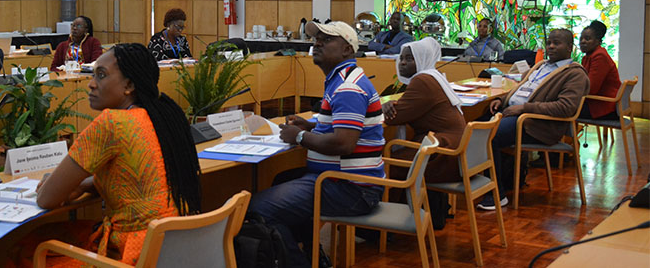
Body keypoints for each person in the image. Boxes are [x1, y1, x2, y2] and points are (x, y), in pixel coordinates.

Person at [32, 43, 202, 265]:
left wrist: (51, 184)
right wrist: (85, 185)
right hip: (178, 246)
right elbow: (139, 177)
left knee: (27, 248)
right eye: (93, 75)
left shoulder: (112, 123)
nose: (91, 84)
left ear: (129, 85)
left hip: (132, 255)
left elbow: (47, 199)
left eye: (101, 76)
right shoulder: (164, 117)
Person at [249, 21, 384, 267]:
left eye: (326, 39)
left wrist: (299, 137)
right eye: (316, 38)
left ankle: (300, 262)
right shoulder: (341, 79)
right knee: (281, 180)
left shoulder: (348, 87)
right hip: (343, 182)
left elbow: (344, 143)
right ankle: (314, 257)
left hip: (350, 188)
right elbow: (341, 126)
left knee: (258, 209)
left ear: (347, 50)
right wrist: (311, 127)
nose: (317, 43)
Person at [476, 29, 589, 211]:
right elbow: (521, 90)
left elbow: (565, 108)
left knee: (489, 135)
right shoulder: (540, 66)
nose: (551, 46)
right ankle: (479, 183)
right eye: (549, 42)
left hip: (535, 124)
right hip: (514, 115)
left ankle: (496, 194)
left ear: (569, 47)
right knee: (471, 127)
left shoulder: (575, 74)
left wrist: (523, 108)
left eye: (556, 43)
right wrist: (502, 100)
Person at [383, 37, 466, 186]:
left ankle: (402, 208)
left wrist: (384, 107)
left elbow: (393, 117)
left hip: (444, 154)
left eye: (409, 59)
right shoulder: (432, 76)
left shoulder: (422, 81)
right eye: (401, 58)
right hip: (457, 151)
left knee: (387, 165)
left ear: (422, 60)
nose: (402, 63)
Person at [578, 21, 620, 120]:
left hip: (603, 106)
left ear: (598, 41)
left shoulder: (600, 56)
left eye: (587, 39)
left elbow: (591, 88)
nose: (583, 41)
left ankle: (568, 135)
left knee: (561, 109)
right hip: (595, 102)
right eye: (581, 39)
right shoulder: (587, 56)